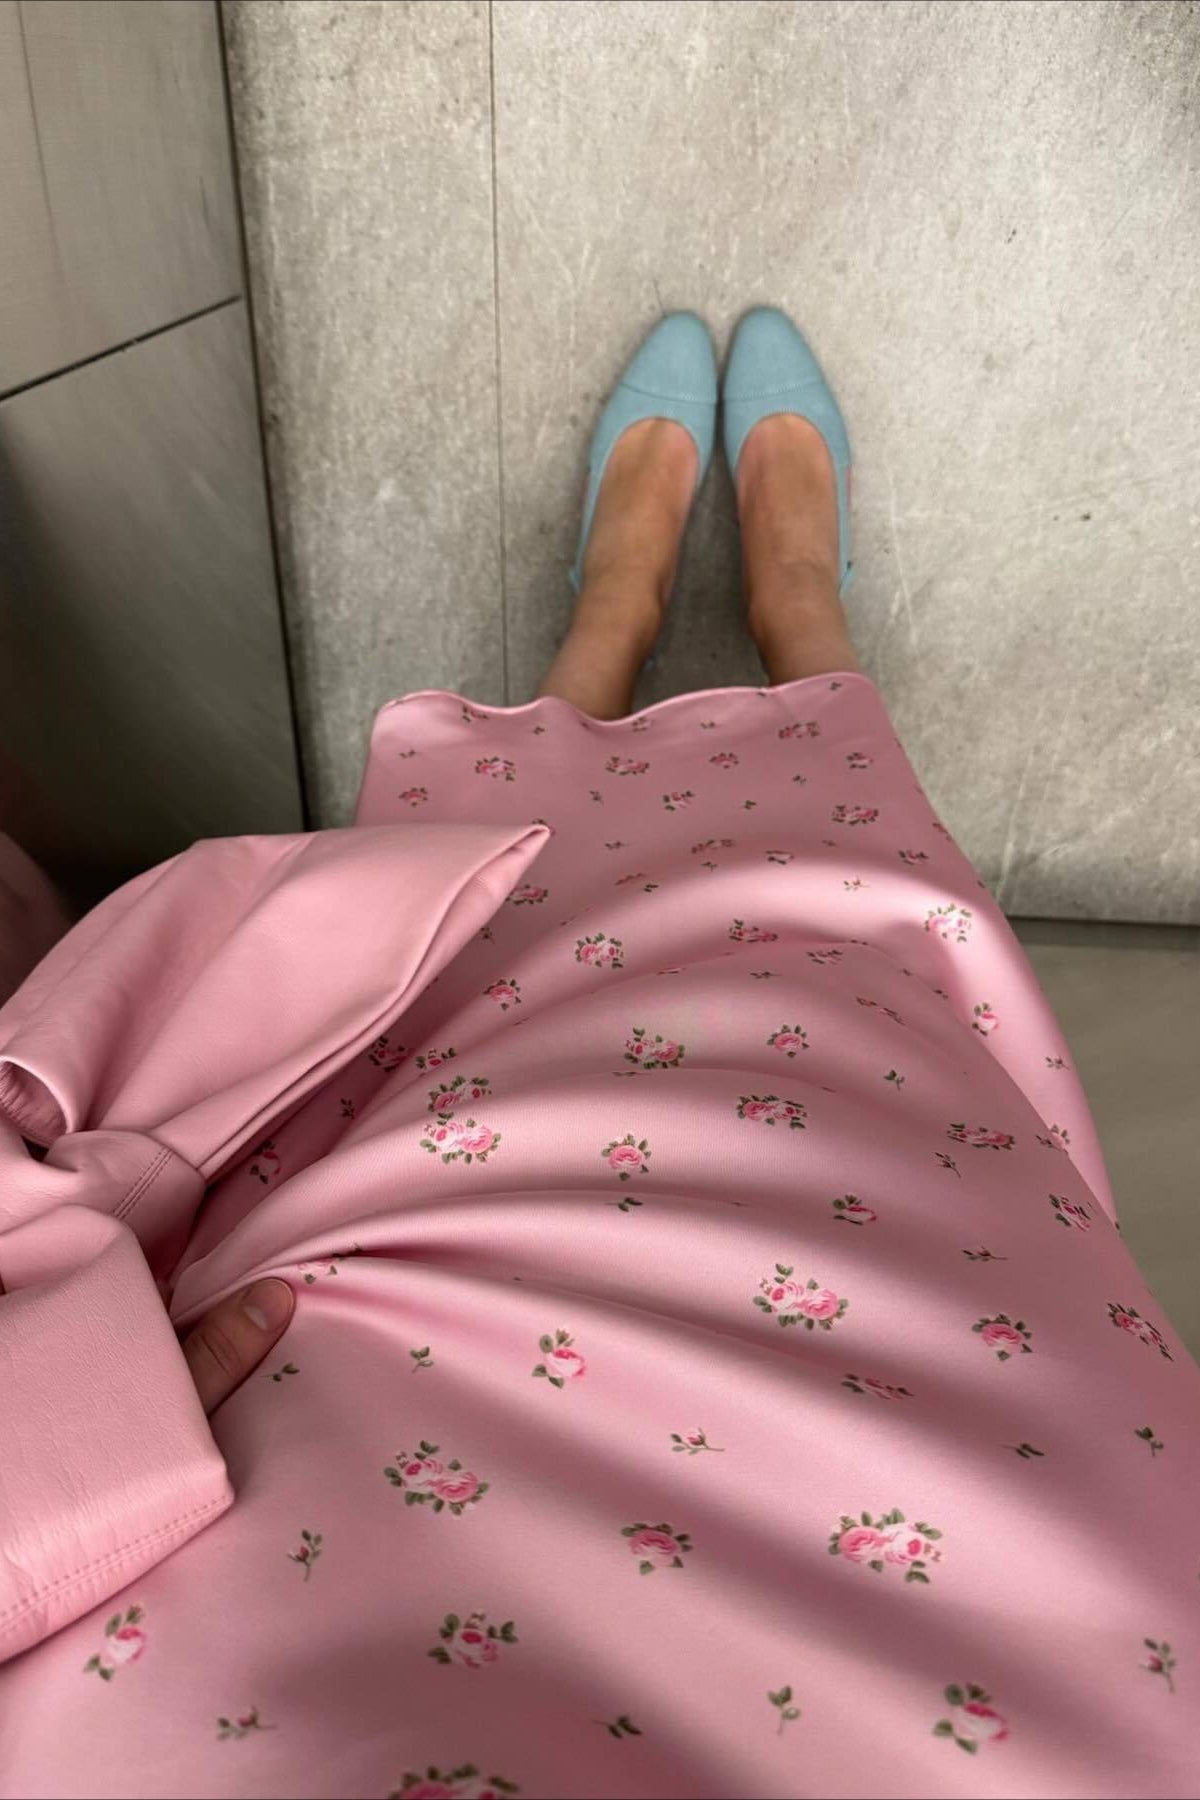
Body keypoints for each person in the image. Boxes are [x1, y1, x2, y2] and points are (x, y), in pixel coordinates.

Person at [0, 309, 1194, 1800]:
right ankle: (802, 620)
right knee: (831, 1027)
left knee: (486, 991)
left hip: (184, 1550)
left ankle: (610, 623)